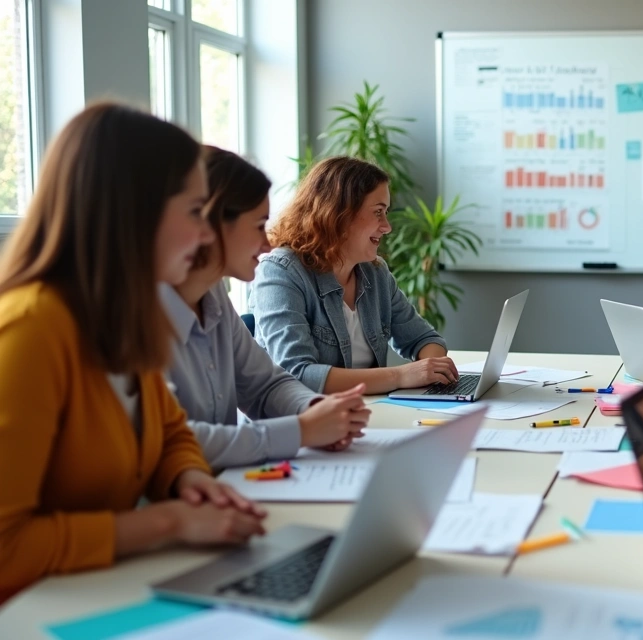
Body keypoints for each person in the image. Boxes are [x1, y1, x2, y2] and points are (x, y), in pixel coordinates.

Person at [0, 104, 265, 600]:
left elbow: (167, 432)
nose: (207, 234)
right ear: (133, 212)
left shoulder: (125, 315)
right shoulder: (30, 331)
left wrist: (189, 479)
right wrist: (165, 523)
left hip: (97, 590)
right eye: (194, 212)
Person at [163, 147, 371, 469]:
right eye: (259, 225)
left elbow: (264, 385)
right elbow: (170, 441)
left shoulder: (213, 293)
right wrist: (302, 430)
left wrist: (314, 409)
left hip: (224, 486)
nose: (268, 243)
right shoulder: (139, 313)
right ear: (214, 225)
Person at [250, 157, 457, 394]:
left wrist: (431, 369)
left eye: (386, 212)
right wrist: (400, 376)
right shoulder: (280, 271)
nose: (387, 226)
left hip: (366, 413)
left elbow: (424, 339)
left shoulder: (375, 272)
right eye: (378, 212)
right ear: (340, 213)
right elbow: (299, 374)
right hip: (302, 423)